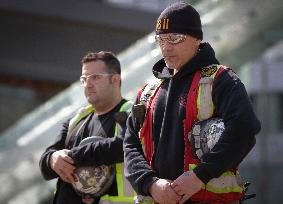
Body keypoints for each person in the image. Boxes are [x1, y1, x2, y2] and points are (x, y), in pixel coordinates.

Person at [123, 2, 261, 204]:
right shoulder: (147, 93)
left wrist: (200, 176)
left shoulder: (221, 79)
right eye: (160, 40)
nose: (166, 47)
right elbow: (130, 145)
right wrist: (151, 184)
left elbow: (245, 128)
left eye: (175, 38)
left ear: (197, 38)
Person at [39, 51, 134, 204]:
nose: (87, 85)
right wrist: (53, 159)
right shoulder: (76, 121)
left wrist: (71, 157)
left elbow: (122, 146)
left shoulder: (131, 112)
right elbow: (45, 165)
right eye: (84, 79)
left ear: (115, 80)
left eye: (95, 77)